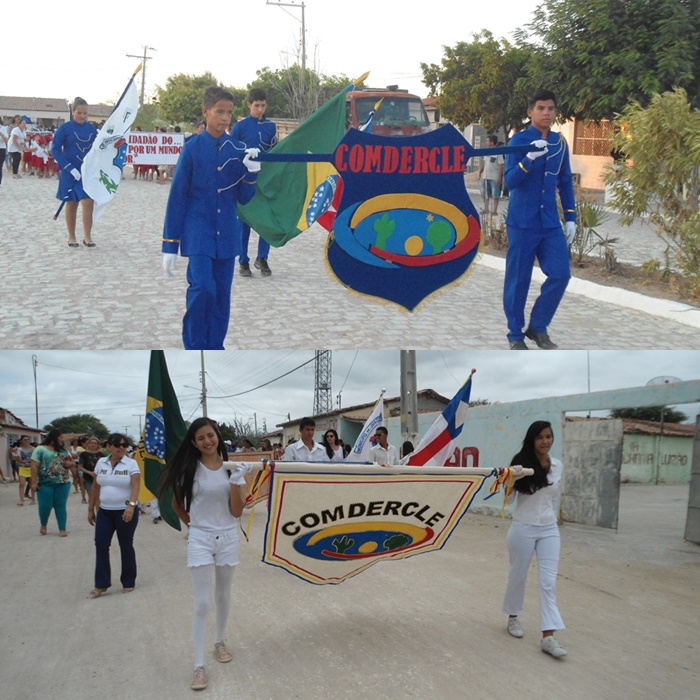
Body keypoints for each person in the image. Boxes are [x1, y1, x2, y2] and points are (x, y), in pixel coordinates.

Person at [162, 86, 261, 350]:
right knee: (202, 289)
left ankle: (215, 347)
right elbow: (177, 197)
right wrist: (169, 245)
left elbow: (244, 198)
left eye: (229, 113)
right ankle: (194, 346)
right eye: (219, 112)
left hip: (226, 234)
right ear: (206, 112)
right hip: (198, 233)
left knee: (221, 297)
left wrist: (252, 174)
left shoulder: (237, 149)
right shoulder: (192, 149)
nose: (225, 118)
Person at [160, 417, 250, 691]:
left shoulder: (231, 468)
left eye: (210, 435)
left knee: (223, 594)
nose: (207, 441)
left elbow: (237, 511)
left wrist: (235, 482)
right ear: (193, 442)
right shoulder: (188, 469)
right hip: (200, 539)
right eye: (201, 438)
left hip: (228, 538)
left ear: (217, 436)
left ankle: (219, 641)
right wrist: (195, 526)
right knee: (201, 602)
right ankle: (198, 665)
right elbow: (176, 504)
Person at [503, 89, 576, 351]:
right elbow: (510, 181)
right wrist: (528, 159)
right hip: (522, 222)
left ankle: (538, 326)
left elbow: (565, 182)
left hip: (549, 223)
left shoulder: (559, 143)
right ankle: (515, 334)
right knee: (518, 281)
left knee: (561, 274)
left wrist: (571, 216)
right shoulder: (519, 141)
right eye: (541, 108)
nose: (546, 113)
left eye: (551, 108)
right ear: (530, 112)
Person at [502, 420, 567, 658]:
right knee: (518, 575)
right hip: (523, 527)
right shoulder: (520, 464)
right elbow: (508, 499)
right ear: (532, 440)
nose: (545, 441)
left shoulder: (557, 465)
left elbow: (551, 498)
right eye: (540, 437)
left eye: (548, 436)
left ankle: (548, 637)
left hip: (549, 528)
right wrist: (511, 479)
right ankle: (513, 616)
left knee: (548, 582)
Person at [231, 88, 277, 278]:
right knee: (244, 222)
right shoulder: (239, 127)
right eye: (256, 105)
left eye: (263, 105)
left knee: (265, 220)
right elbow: (232, 152)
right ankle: (243, 260)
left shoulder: (271, 127)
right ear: (249, 104)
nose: (260, 109)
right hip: (244, 180)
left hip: (265, 181)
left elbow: (275, 151)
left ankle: (262, 257)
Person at [87, 434, 140, 597]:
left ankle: (128, 581)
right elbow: (95, 487)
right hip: (105, 511)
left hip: (125, 511)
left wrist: (131, 506)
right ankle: (101, 583)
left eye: (125, 445)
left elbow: (136, 486)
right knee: (101, 544)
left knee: (125, 544)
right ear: (108, 446)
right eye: (117, 444)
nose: (122, 447)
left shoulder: (131, 464)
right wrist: (90, 509)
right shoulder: (101, 463)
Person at [53, 97, 98, 247]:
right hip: (70, 171)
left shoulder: (91, 129)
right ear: (73, 112)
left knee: (88, 201)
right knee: (71, 203)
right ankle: (71, 237)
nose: (82, 116)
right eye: (79, 113)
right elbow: (55, 149)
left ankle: (87, 236)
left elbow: (98, 148)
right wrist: (68, 167)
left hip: (86, 172)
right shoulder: (64, 128)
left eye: (85, 113)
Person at [30, 430, 73, 536]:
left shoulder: (64, 451)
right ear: (54, 437)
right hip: (45, 482)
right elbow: (34, 465)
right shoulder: (40, 449)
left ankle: (62, 528)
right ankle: (43, 524)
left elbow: (70, 462)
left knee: (60, 505)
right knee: (45, 505)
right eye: (61, 437)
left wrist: (69, 464)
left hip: (63, 482)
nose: (62, 440)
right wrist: (34, 482)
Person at [478, 134, 504, 216]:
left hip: (494, 177)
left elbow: (501, 165)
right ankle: (486, 208)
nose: (486, 142)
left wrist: (500, 177)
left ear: (492, 142)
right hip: (486, 176)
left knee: (495, 194)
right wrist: (480, 171)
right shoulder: (487, 152)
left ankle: (494, 210)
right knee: (484, 193)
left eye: (487, 141)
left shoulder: (498, 153)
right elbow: (485, 163)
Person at [16, 436, 35, 505]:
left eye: (27, 439)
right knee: (22, 484)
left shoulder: (33, 449)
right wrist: (27, 460)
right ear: (21, 441)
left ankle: (33, 499)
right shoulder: (19, 449)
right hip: (22, 467)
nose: (27, 441)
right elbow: (18, 459)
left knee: (31, 484)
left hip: (31, 468)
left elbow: (35, 458)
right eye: (25, 440)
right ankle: (21, 500)